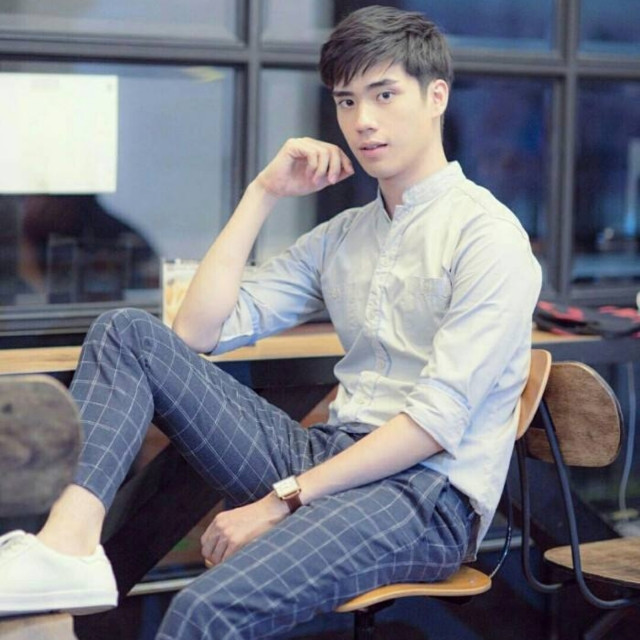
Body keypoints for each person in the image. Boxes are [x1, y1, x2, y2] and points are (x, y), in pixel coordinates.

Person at [0, 5, 542, 639]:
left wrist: (281, 499)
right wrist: (262, 192)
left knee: (205, 609)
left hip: (424, 495)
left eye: (384, 94)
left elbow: (434, 425)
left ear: (436, 98)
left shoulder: (488, 237)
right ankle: (67, 547)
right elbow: (196, 333)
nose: (362, 121)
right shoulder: (344, 234)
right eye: (346, 101)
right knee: (127, 333)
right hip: (331, 455)